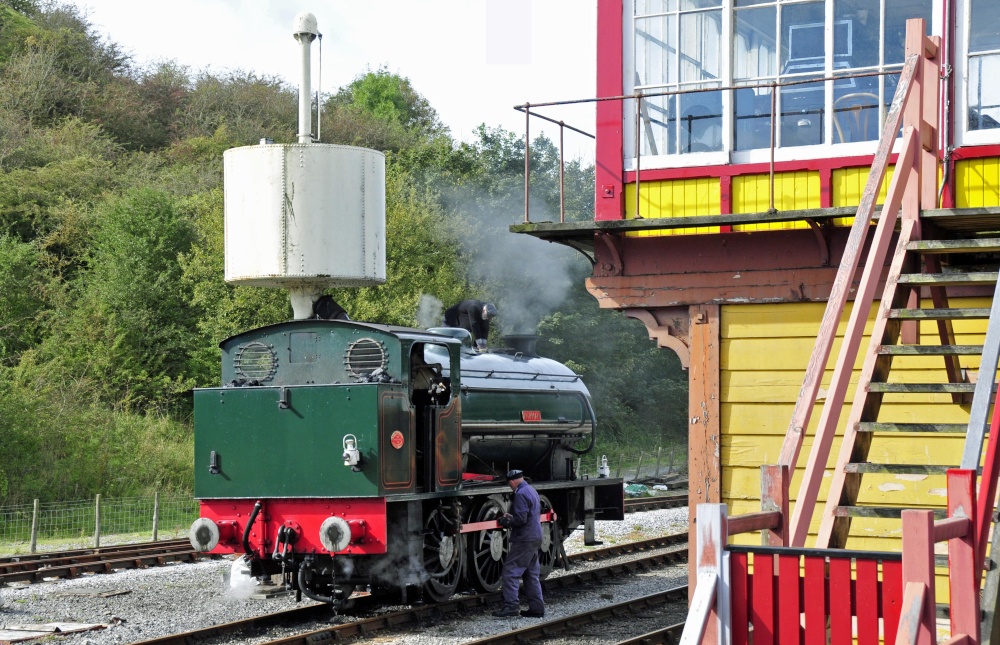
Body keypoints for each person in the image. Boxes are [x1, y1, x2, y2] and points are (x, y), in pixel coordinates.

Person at [492, 469, 545, 618]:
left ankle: (511, 606)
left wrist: (508, 521)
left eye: (509, 484)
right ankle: (537, 608)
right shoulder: (531, 490)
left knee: (510, 571)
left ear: (511, 482)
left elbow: (521, 519)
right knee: (530, 574)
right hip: (535, 536)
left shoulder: (520, 494)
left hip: (524, 538)